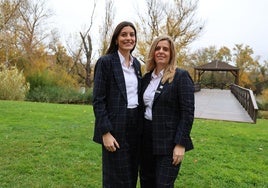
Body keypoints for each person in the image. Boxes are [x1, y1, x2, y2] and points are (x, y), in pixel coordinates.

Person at [140, 35, 195, 188]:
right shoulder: (146, 79)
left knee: (163, 184)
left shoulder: (180, 77)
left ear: (171, 54)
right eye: (157, 48)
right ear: (153, 52)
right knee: (146, 182)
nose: (161, 52)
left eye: (165, 49)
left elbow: (187, 113)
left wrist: (180, 144)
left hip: (169, 143)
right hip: (146, 140)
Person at [92, 21, 142, 188]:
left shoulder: (136, 64)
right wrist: (105, 132)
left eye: (132, 35)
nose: (128, 38)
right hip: (115, 127)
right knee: (115, 177)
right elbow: (98, 100)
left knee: (131, 174)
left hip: (135, 125)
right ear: (116, 39)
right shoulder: (105, 62)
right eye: (124, 34)